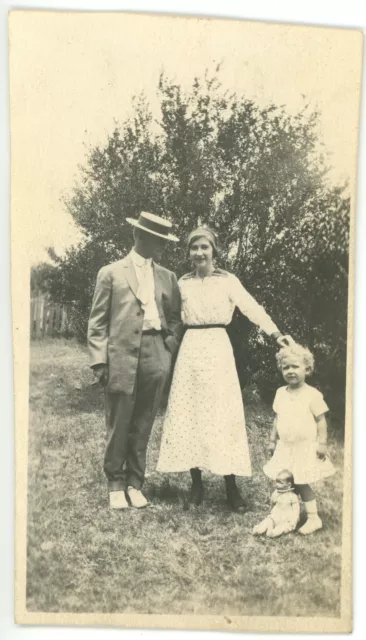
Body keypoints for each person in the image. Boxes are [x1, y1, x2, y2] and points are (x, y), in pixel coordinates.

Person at [156, 225, 293, 512]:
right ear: (189, 253)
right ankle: (196, 484)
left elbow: (252, 307)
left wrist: (275, 334)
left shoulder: (228, 280)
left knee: (222, 414)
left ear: (214, 251)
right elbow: (169, 316)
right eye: (194, 248)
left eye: (204, 247)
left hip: (218, 347)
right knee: (189, 412)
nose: (199, 253)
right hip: (191, 348)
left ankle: (231, 487)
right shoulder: (183, 283)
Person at [88, 212, 182, 510]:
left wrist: (167, 347)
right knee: (120, 420)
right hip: (121, 354)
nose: (163, 247)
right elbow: (98, 322)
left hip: (156, 353)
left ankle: (135, 482)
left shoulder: (167, 277)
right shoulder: (111, 273)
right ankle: (115, 482)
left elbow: (177, 318)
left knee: (144, 421)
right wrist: (100, 361)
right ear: (140, 237)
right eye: (159, 240)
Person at [263, 344, 335, 534]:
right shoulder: (280, 393)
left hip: (304, 446)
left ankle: (313, 518)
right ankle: (284, 513)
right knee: (285, 481)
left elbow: (321, 420)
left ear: (307, 369)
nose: (290, 371)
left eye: (295, 366)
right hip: (286, 446)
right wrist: (272, 440)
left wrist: (322, 443)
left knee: (302, 481)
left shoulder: (312, 394)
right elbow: (277, 418)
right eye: (286, 367)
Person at [252, 469, 300, 538]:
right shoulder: (276, 493)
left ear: (289, 485)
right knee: (269, 520)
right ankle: (259, 529)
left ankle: (273, 533)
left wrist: (293, 521)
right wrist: (271, 513)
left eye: (280, 483)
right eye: (277, 482)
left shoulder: (293, 496)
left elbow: (296, 511)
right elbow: (272, 503)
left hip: (286, 519)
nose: (277, 485)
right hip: (276, 516)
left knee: (284, 527)